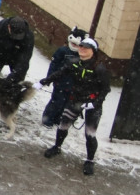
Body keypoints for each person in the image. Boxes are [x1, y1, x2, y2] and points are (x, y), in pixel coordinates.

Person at [40, 37, 111, 176]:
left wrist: (95, 103)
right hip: (75, 101)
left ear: (93, 51)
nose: (82, 49)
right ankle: (57, 147)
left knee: (90, 134)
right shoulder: (75, 62)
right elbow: (60, 73)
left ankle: (90, 160)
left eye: (86, 48)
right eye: (81, 47)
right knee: (63, 125)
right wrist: (45, 81)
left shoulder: (99, 68)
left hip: (92, 105)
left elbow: (105, 90)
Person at [0, 16, 34, 103]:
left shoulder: (28, 36)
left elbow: (25, 59)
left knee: (17, 78)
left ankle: (11, 102)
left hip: (16, 56)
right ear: (9, 27)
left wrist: (13, 78)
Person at [41, 27, 87, 127]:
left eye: (77, 45)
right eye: (73, 43)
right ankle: (48, 119)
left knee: (66, 104)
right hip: (60, 82)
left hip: (72, 85)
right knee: (56, 101)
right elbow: (54, 64)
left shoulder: (81, 56)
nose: (74, 46)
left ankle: (58, 119)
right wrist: (49, 78)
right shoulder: (63, 51)